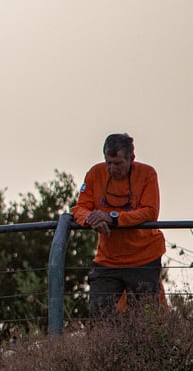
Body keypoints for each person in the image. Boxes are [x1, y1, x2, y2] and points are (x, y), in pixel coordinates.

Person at [70, 133, 165, 318]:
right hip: (108, 260)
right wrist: (91, 219)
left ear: (132, 159)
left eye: (118, 163)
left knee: (146, 318)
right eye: (108, 163)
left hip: (144, 257)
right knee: (99, 313)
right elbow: (79, 208)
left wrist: (113, 218)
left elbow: (150, 211)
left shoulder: (147, 174)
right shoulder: (94, 174)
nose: (112, 168)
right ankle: (110, 346)